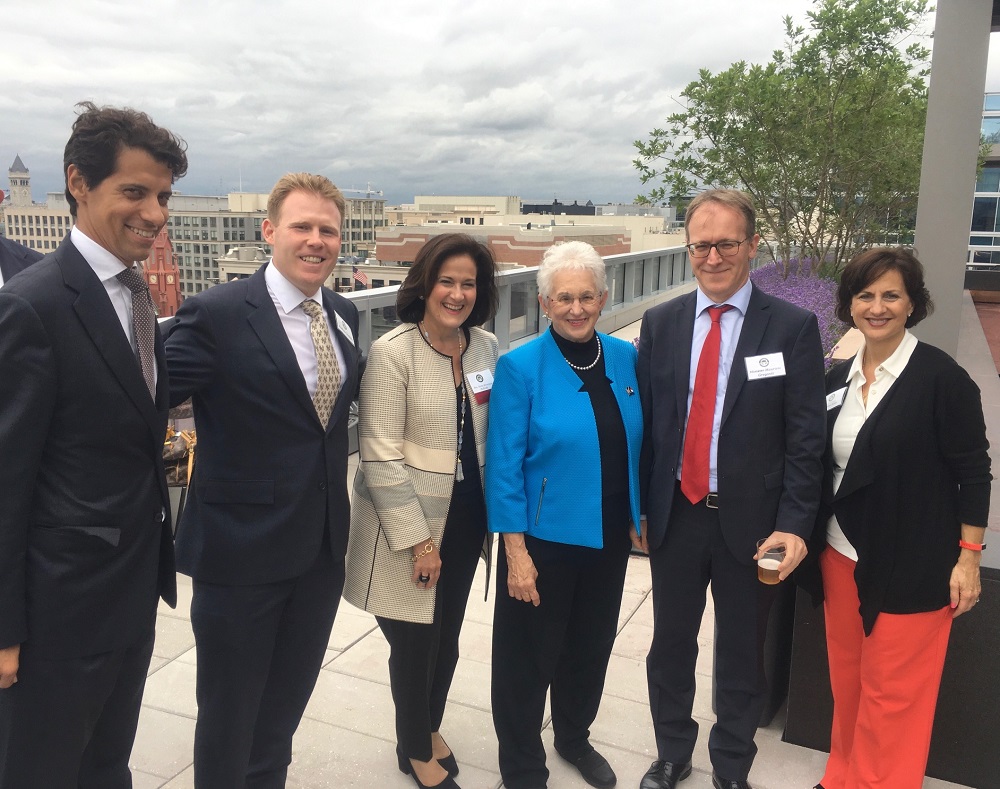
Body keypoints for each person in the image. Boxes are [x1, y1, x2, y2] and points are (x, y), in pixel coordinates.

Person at [0, 102, 184, 786]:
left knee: (107, 765)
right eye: (133, 192)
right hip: (57, 614)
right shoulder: (33, 305)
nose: (154, 212)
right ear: (79, 183)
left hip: (129, 594)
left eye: (161, 195)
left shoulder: (137, 298)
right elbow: (7, 480)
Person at [164, 172, 360, 787]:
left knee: (281, 714)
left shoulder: (344, 313)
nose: (316, 240)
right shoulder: (218, 313)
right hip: (240, 551)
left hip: (320, 550)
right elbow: (141, 398)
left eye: (328, 230)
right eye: (302, 226)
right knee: (229, 717)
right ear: (270, 231)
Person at [636, 189, 826, 789]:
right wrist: (639, 509)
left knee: (742, 654)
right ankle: (672, 752)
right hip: (677, 513)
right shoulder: (661, 323)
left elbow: (805, 440)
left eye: (726, 243)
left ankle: (731, 766)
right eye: (701, 244)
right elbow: (651, 429)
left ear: (752, 245)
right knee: (670, 644)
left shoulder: (793, 327)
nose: (712, 256)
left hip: (755, 524)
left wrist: (794, 525)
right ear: (688, 248)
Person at [796, 248, 990, 789]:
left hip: (915, 565)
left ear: (912, 304)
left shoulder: (941, 380)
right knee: (850, 681)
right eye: (865, 295)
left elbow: (974, 474)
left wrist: (969, 560)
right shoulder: (836, 377)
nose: (877, 306)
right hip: (841, 557)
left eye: (890, 295)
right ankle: (844, 775)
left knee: (895, 695)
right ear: (849, 305)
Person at [486, 240, 644, 789]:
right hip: (542, 541)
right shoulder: (520, 367)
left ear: (603, 298)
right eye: (563, 298)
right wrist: (515, 553)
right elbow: (503, 467)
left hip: (607, 537)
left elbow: (637, 446)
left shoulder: (625, 358)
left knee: (589, 647)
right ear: (545, 302)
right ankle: (522, 766)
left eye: (586, 297)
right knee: (526, 660)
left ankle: (574, 736)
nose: (576, 308)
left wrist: (638, 514)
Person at [344, 233, 499, 789]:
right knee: (414, 642)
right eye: (446, 281)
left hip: (467, 518)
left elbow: (486, 434)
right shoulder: (395, 350)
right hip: (407, 525)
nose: (457, 294)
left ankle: (427, 725)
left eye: (468, 284)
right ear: (425, 286)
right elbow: (380, 453)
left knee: (448, 635)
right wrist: (420, 541)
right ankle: (414, 750)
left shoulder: (483, 346)